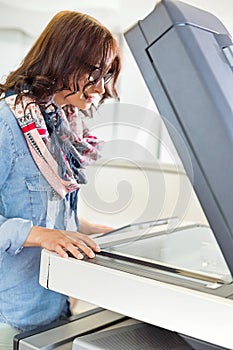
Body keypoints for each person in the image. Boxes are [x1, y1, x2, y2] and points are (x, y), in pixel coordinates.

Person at [0, 10, 121, 349]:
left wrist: (87, 230)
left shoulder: (57, 127)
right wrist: (42, 236)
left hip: (56, 304)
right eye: (93, 74)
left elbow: (44, 212)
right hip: (13, 317)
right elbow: (39, 227)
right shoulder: (6, 126)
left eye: (106, 76)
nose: (99, 89)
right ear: (63, 60)